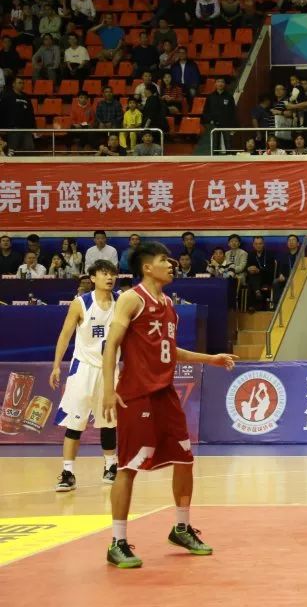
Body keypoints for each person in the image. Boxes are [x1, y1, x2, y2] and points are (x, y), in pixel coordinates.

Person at [101, 242, 237, 568]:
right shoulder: (132, 299)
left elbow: (170, 350)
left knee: (185, 459)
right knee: (128, 467)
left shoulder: (169, 305)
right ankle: (117, 542)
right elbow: (111, 345)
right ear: (147, 267)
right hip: (136, 394)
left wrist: (211, 359)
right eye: (164, 260)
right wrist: (107, 389)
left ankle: (181, 527)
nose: (171, 265)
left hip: (165, 394)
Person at [50, 260, 120, 491]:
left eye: (112, 274)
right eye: (104, 273)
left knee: (109, 421)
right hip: (83, 368)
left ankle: (110, 466)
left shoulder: (121, 302)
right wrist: (56, 366)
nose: (109, 278)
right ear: (93, 278)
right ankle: (67, 472)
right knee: (75, 422)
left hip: (110, 369)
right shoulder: (80, 303)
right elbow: (65, 335)